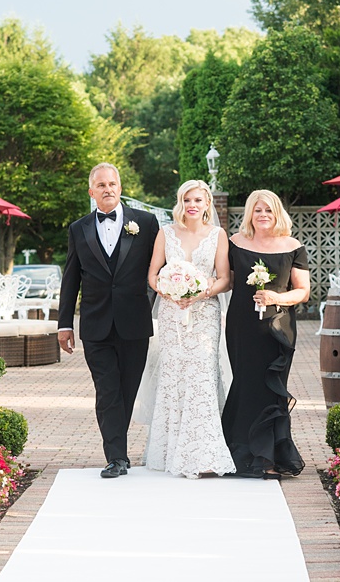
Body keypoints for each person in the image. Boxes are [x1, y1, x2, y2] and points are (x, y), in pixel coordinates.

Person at [57, 163, 160, 478]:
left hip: (134, 322)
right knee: (107, 390)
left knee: (127, 390)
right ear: (92, 191)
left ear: (120, 187)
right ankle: (116, 457)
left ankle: (119, 449)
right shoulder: (79, 228)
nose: (108, 189)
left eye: (112, 183)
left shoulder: (146, 222)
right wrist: (64, 324)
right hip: (95, 324)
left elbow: (159, 270)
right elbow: (71, 278)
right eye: (101, 185)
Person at [140, 180, 234, 478]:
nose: (192, 205)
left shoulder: (218, 235)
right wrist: (169, 292)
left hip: (205, 314)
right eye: (186, 200)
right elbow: (153, 275)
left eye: (197, 200)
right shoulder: (166, 234)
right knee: (174, 375)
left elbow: (224, 278)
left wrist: (202, 292)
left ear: (207, 203)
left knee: (202, 375)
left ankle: (204, 453)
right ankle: (170, 450)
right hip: (171, 314)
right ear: (180, 203)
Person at [221, 190, 310, 479]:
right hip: (242, 327)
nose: (263, 215)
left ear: (277, 213)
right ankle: (241, 455)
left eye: (268, 210)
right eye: (257, 210)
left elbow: (303, 291)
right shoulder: (235, 242)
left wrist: (275, 297)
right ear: (249, 213)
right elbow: (227, 281)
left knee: (272, 389)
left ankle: (270, 456)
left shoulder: (292, 246)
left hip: (279, 329)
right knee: (246, 385)